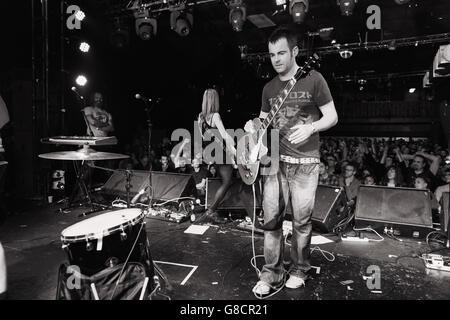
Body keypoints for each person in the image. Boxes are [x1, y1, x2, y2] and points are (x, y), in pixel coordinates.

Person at [247, 26, 338, 295]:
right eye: (272, 54)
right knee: (271, 220)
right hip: (275, 161)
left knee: (301, 221)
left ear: (295, 51)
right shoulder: (268, 88)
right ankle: (271, 273)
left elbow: (332, 116)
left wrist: (311, 128)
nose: (276, 59)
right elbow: (263, 123)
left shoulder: (314, 79)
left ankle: (300, 270)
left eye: (282, 53)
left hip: (305, 163)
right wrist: (254, 132)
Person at [196, 88, 237, 224]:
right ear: (215, 100)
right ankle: (211, 211)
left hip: (210, 152)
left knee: (224, 181)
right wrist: (234, 147)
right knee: (227, 182)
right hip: (220, 152)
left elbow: (202, 136)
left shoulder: (200, 117)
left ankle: (214, 210)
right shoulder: (215, 116)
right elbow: (224, 134)